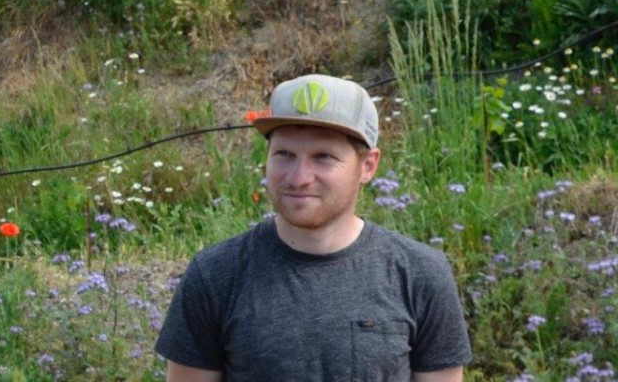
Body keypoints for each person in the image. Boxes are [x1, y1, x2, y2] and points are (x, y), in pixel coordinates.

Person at [155, 74, 472, 381]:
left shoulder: (420, 274)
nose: (298, 178)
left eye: (323, 157)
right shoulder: (215, 275)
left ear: (367, 166)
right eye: (284, 154)